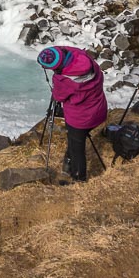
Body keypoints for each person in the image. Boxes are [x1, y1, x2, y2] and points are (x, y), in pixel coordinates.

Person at [38, 45, 107, 182]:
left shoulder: (63, 81)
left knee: (77, 148)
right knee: (75, 142)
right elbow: (65, 49)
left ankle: (78, 179)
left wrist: (55, 79)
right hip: (98, 109)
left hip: (81, 119)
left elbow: (58, 97)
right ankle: (69, 162)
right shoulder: (84, 58)